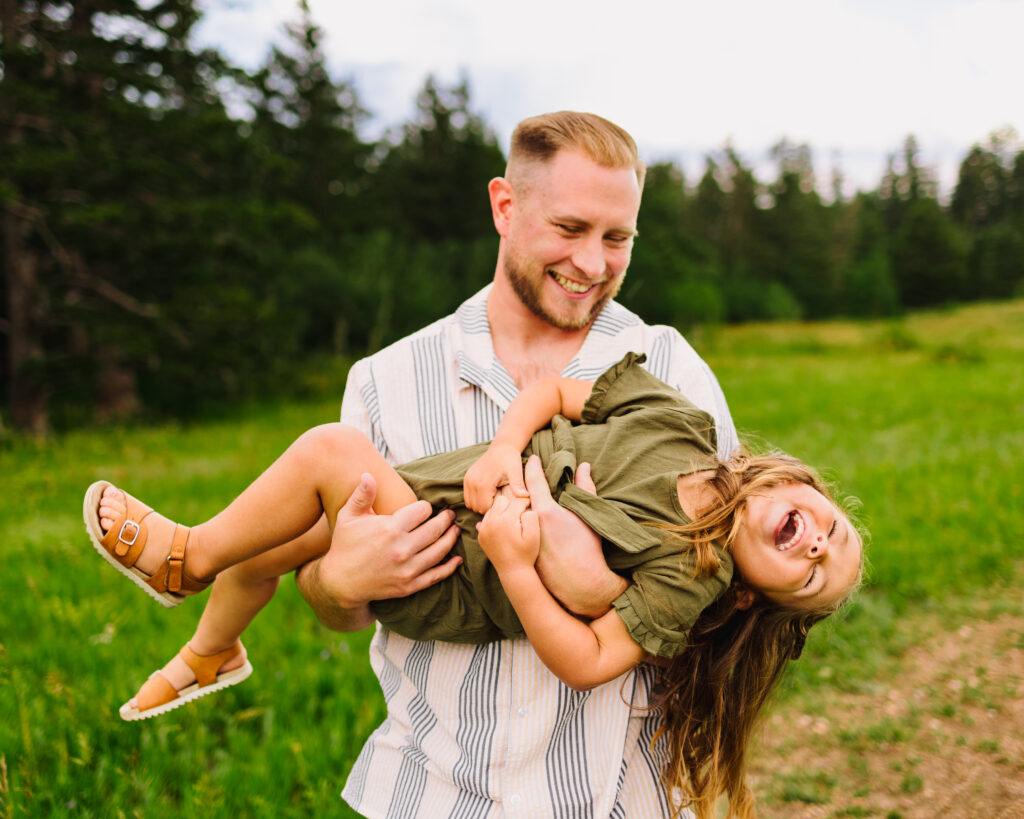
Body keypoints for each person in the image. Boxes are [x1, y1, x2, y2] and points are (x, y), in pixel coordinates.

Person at [85, 353, 863, 818]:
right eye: (833, 527)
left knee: (330, 449)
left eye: (815, 570)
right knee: (267, 548)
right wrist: (503, 448)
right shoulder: (681, 423)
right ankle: (212, 650)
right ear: (797, 481)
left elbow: (593, 655)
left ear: (757, 595)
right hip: (437, 490)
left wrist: (523, 565)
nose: (819, 542)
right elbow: (559, 393)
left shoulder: (693, 574)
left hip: (449, 564)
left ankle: (184, 558)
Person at [298, 111, 742, 818]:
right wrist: (340, 582)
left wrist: (602, 587)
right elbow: (326, 595)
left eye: (616, 237)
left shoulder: (669, 370)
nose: (593, 264)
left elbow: (731, 606)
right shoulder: (388, 380)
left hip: (622, 800)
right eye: (569, 230)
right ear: (505, 205)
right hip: (430, 798)